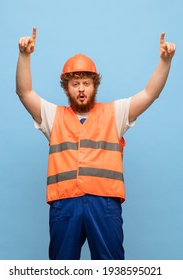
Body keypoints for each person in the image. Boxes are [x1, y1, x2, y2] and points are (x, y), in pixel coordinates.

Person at [16, 27, 176, 260]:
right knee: (61, 268)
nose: (81, 89)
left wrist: (165, 61)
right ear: (66, 88)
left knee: (110, 268)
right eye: (75, 84)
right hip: (65, 204)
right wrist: (24, 56)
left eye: (86, 83)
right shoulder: (53, 116)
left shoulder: (116, 113)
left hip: (105, 204)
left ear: (95, 86)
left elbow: (150, 94)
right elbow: (24, 92)